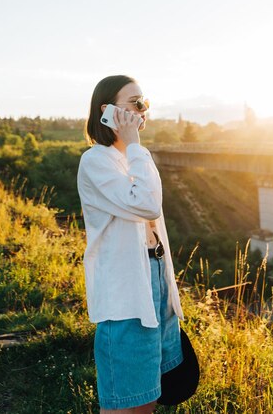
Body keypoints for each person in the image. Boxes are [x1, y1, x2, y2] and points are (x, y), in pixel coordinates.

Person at [77, 75, 185, 413]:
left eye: (145, 103)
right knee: (127, 402)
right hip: (126, 294)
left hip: (155, 281)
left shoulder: (137, 156)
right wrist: (134, 144)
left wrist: (136, 148)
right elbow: (148, 205)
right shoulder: (95, 161)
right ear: (107, 111)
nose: (142, 111)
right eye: (135, 104)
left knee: (150, 396)